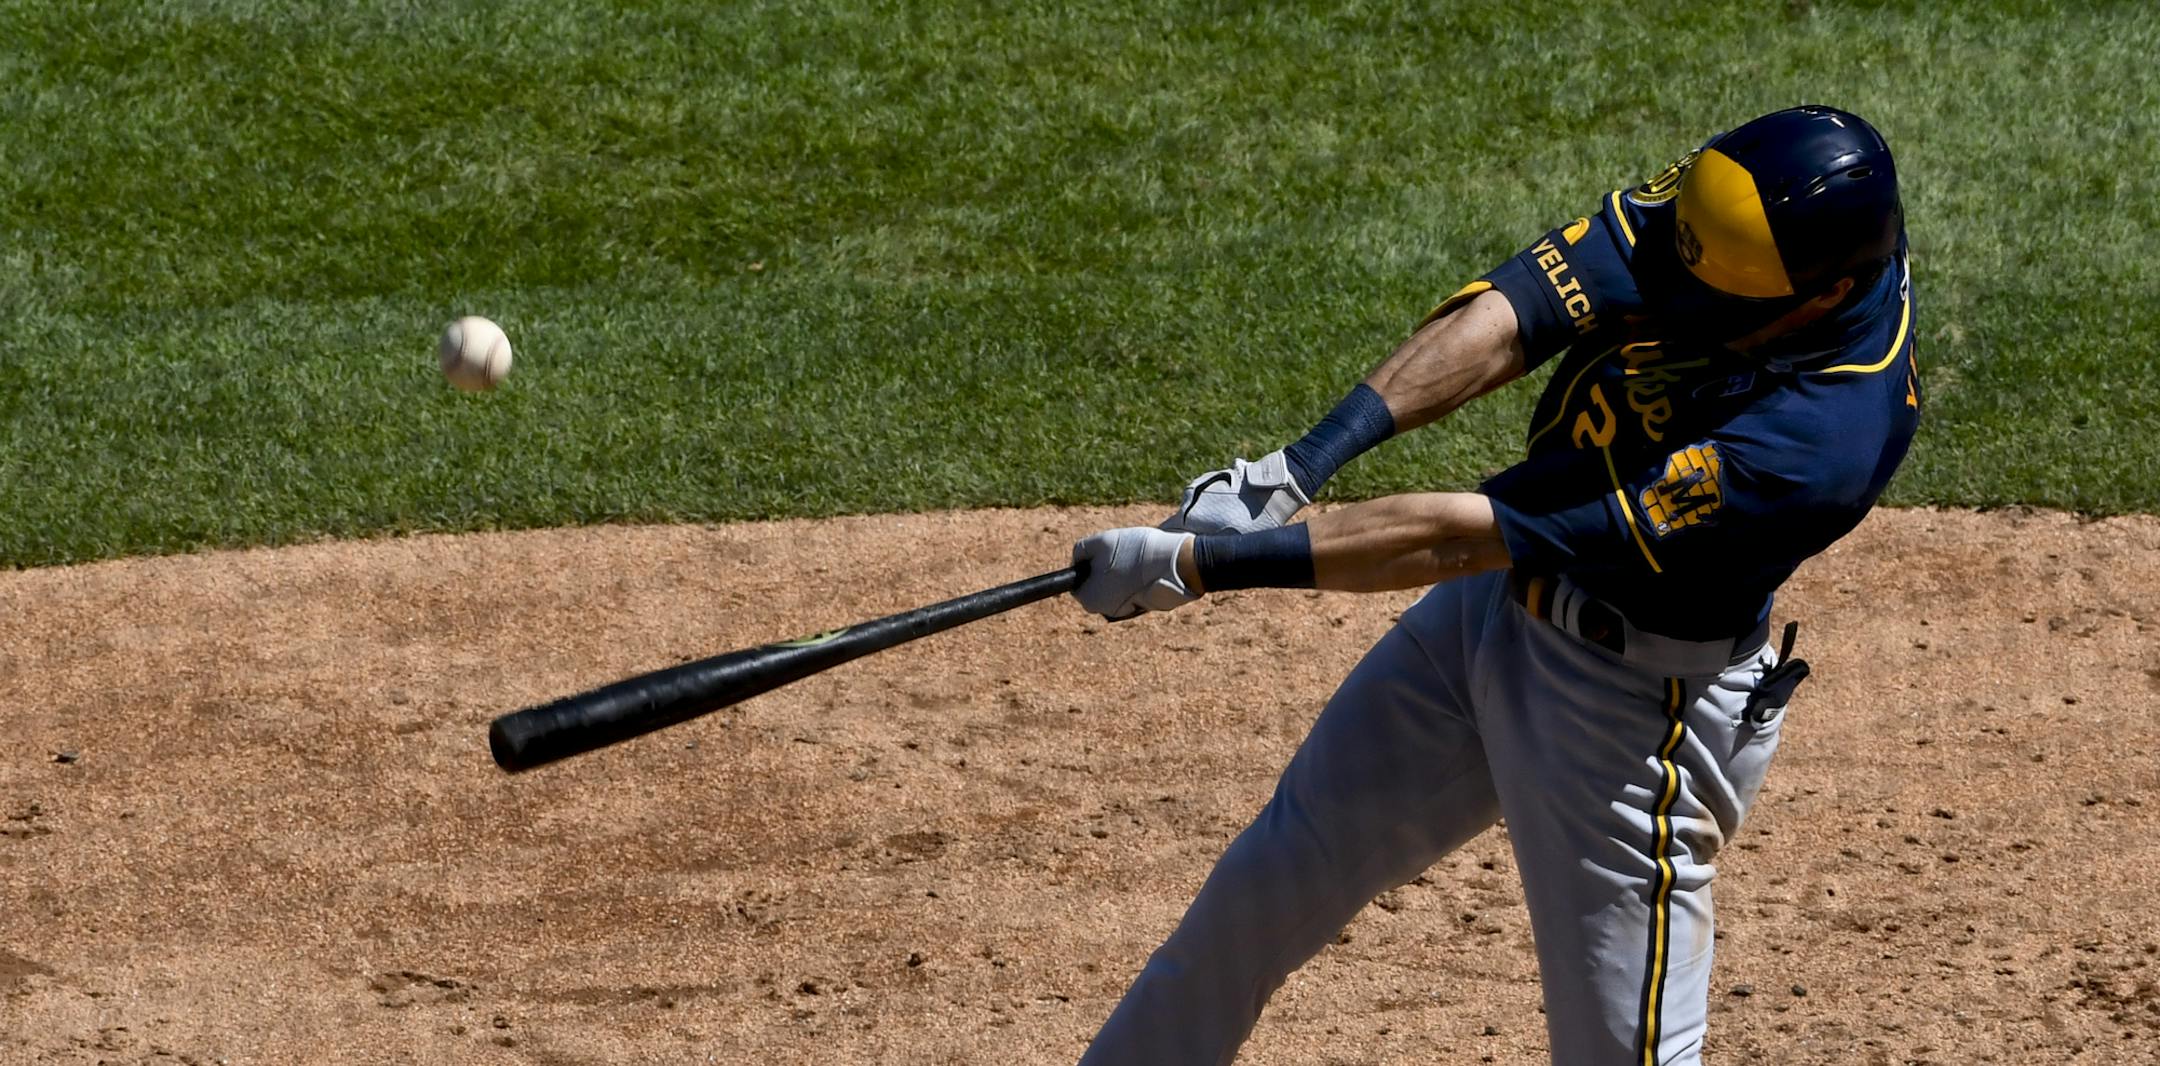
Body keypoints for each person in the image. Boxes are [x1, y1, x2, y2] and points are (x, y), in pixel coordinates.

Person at [1068, 105, 1918, 1065]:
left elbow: (1452, 542)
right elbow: (1520, 312)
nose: (1673, 290)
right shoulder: (1731, 218)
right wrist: (1293, 471)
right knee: (1262, 893)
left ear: (1826, 293)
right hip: (1489, 621)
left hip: (1632, 720)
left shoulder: (1816, 444)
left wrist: (1196, 565)